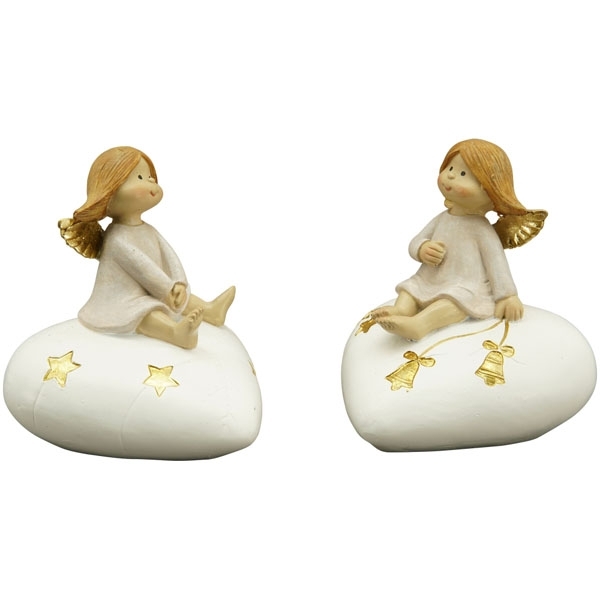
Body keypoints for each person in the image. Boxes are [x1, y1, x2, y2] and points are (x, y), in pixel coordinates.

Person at [59, 146, 235, 349]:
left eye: (150, 177)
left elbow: (169, 256)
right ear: (108, 193)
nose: (150, 182)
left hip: (155, 290)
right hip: (121, 301)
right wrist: (167, 289)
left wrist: (178, 283)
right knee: (146, 312)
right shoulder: (116, 239)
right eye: (140, 177)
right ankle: (175, 333)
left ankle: (210, 311)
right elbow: (141, 268)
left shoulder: (149, 230)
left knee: (182, 297)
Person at [371, 139, 547, 340]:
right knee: (411, 288)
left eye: (463, 174)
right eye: (450, 168)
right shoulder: (442, 218)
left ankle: (420, 325)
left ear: (489, 190)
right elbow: (416, 241)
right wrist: (422, 248)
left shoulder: (481, 229)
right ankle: (402, 311)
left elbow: (496, 264)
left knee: (456, 302)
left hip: (466, 286)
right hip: (431, 278)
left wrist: (507, 296)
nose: (451, 175)